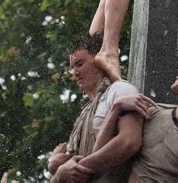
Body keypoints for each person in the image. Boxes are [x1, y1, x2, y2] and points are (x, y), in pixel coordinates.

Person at [48, 33, 143, 182]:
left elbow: (129, 141)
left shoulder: (120, 91)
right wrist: (57, 166)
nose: (75, 73)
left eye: (80, 64)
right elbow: (78, 160)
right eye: (73, 67)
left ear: (99, 61)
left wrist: (66, 171)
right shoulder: (84, 112)